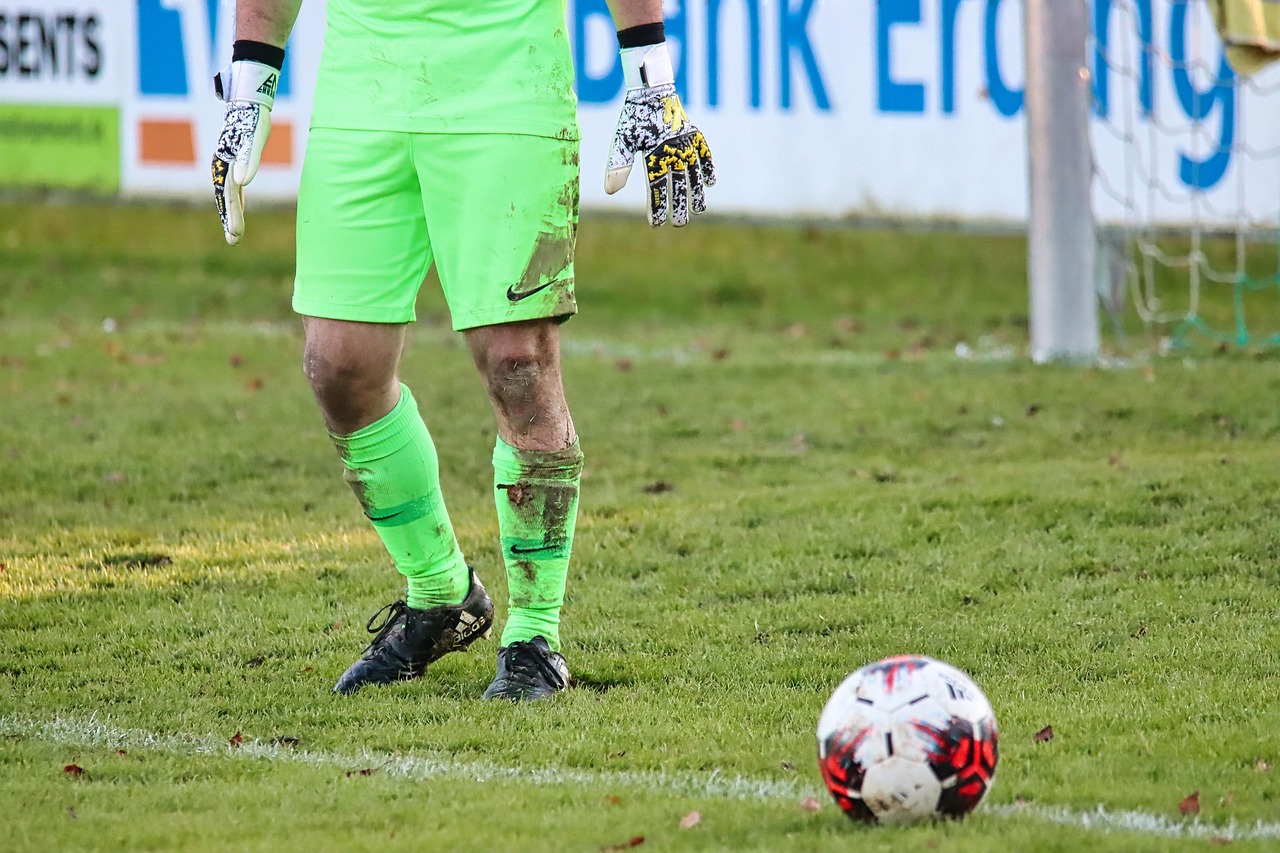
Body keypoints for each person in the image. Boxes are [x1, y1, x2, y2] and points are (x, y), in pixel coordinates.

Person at [209, 0, 715, 701]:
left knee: (518, 362)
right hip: (364, 85)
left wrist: (652, 77)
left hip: (508, 77)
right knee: (339, 368)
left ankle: (534, 637)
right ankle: (441, 592)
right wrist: (249, 84)